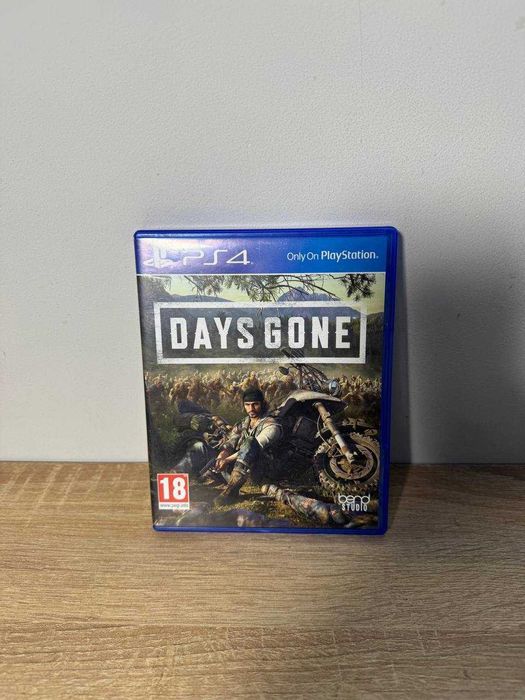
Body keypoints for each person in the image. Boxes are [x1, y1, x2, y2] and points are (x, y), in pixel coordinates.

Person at [214, 387, 282, 505]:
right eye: (247, 405)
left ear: (262, 404)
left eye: (255, 404)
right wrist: (222, 455)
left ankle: (231, 491)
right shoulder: (244, 423)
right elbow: (231, 441)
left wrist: (227, 460)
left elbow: (254, 445)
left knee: (250, 441)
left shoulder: (271, 425)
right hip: (246, 468)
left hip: (266, 469)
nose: (251, 409)